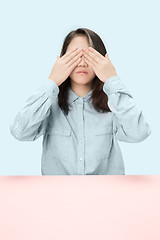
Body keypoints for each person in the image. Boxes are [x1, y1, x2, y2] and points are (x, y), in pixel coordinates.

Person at [10, 28, 151, 175]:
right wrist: (52, 81)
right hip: (58, 194)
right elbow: (20, 131)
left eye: (89, 56)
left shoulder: (114, 104)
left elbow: (139, 133)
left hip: (105, 194)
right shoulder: (48, 105)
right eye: (75, 55)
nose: (82, 63)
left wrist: (112, 79)